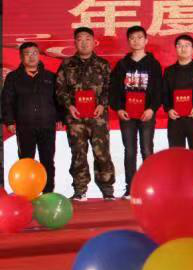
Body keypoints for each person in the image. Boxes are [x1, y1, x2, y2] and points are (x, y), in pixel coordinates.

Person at [55, 27, 115, 200]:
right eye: (80, 39)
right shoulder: (67, 64)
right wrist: (69, 106)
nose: (84, 43)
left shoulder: (103, 64)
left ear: (94, 42)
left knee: (102, 153)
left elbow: (110, 88)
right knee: (78, 154)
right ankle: (80, 190)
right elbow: (60, 89)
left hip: (98, 117)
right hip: (75, 118)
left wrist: (102, 104)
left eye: (87, 39)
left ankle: (107, 189)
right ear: (75, 42)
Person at [109, 26, 162, 197]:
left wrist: (152, 109)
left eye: (140, 37)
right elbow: (114, 89)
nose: (136, 41)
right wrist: (118, 108)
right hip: (127, 115)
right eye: (132, 38)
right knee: (130, 150)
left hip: (146, 114)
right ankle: (130, 187)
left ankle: (149, 186)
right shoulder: (122, 65)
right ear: (128, 41)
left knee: (147, 149)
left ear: (146, 40)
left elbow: (159, 90)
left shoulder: (153, 64)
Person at [2, 42, 62, 193]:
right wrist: (9, 121)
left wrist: (60, 118)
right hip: (24, 125)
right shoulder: (13, 78)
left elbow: (59, 99)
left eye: (35, 53)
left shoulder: (50, 77)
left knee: (47, 160)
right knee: (26, 161)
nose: (31, 57)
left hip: (47, 124)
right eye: (27, 54)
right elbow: (7, 101)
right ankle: (27, 193)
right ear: (21, 57)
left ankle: (48, 192)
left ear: (39, 55)